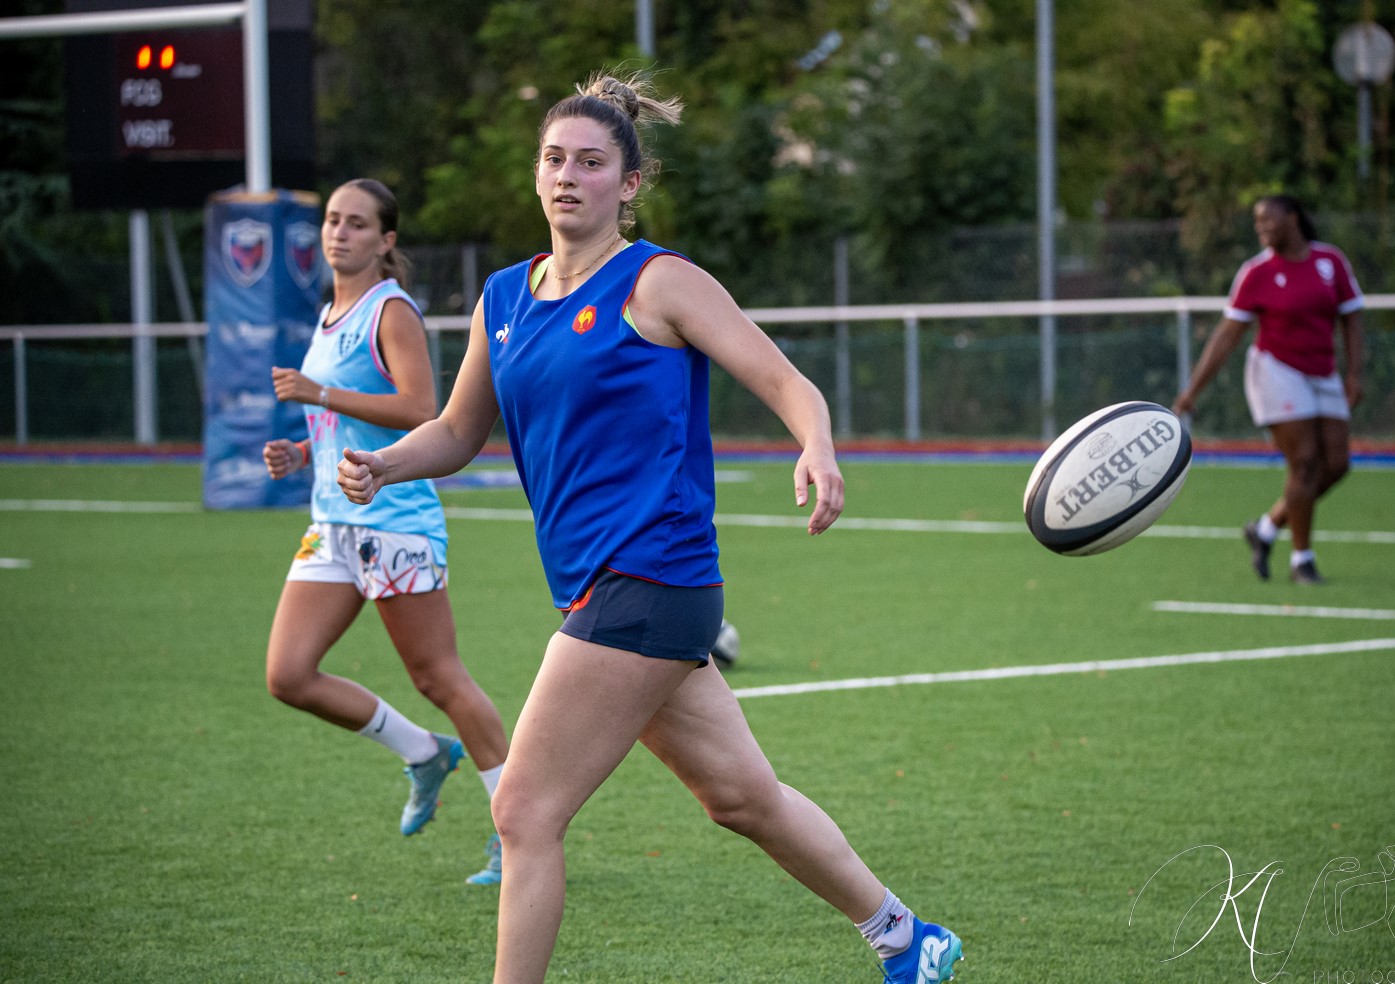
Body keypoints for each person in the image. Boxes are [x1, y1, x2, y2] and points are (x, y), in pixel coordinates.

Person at [336, 73, 963, 983]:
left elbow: (788, 382)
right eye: (554, 159)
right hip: (605, 585)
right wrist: (386, 462)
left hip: (651, 577)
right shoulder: (504, 299)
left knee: (523, 811)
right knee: (741, 799)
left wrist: (816, 447)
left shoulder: (660, 281)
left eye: (591, 163)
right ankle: (908, 938)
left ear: (629, 185)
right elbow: (460, 431)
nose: (568, 177)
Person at [262, 178, 510, 886]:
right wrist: (302, 451)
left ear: (386, 240)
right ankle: (424, 753)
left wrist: (317, 395)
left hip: (394, 525)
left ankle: (515, 833)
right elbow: (348, 422)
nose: (339, 233)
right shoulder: (330, 311)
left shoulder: (390, 310)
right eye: (333, 221)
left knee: (440, 677)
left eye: (358, 224)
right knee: (288, 675)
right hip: (332, 525)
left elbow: (422, 408)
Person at [1172, 194, 1365, 585]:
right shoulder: (1256, 272)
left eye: (1268, 220)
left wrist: (1355, 374)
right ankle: (1302, 561)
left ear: (1292, 219)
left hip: (1323, 372)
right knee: (1306, 461)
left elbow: (1352, 317)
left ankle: (1266, 527)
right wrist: (1193, 389)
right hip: (1276, 371)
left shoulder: (1330, 262)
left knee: (1337, 464)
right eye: (1257, 223)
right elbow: (1228, 335)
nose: (1261, 229)